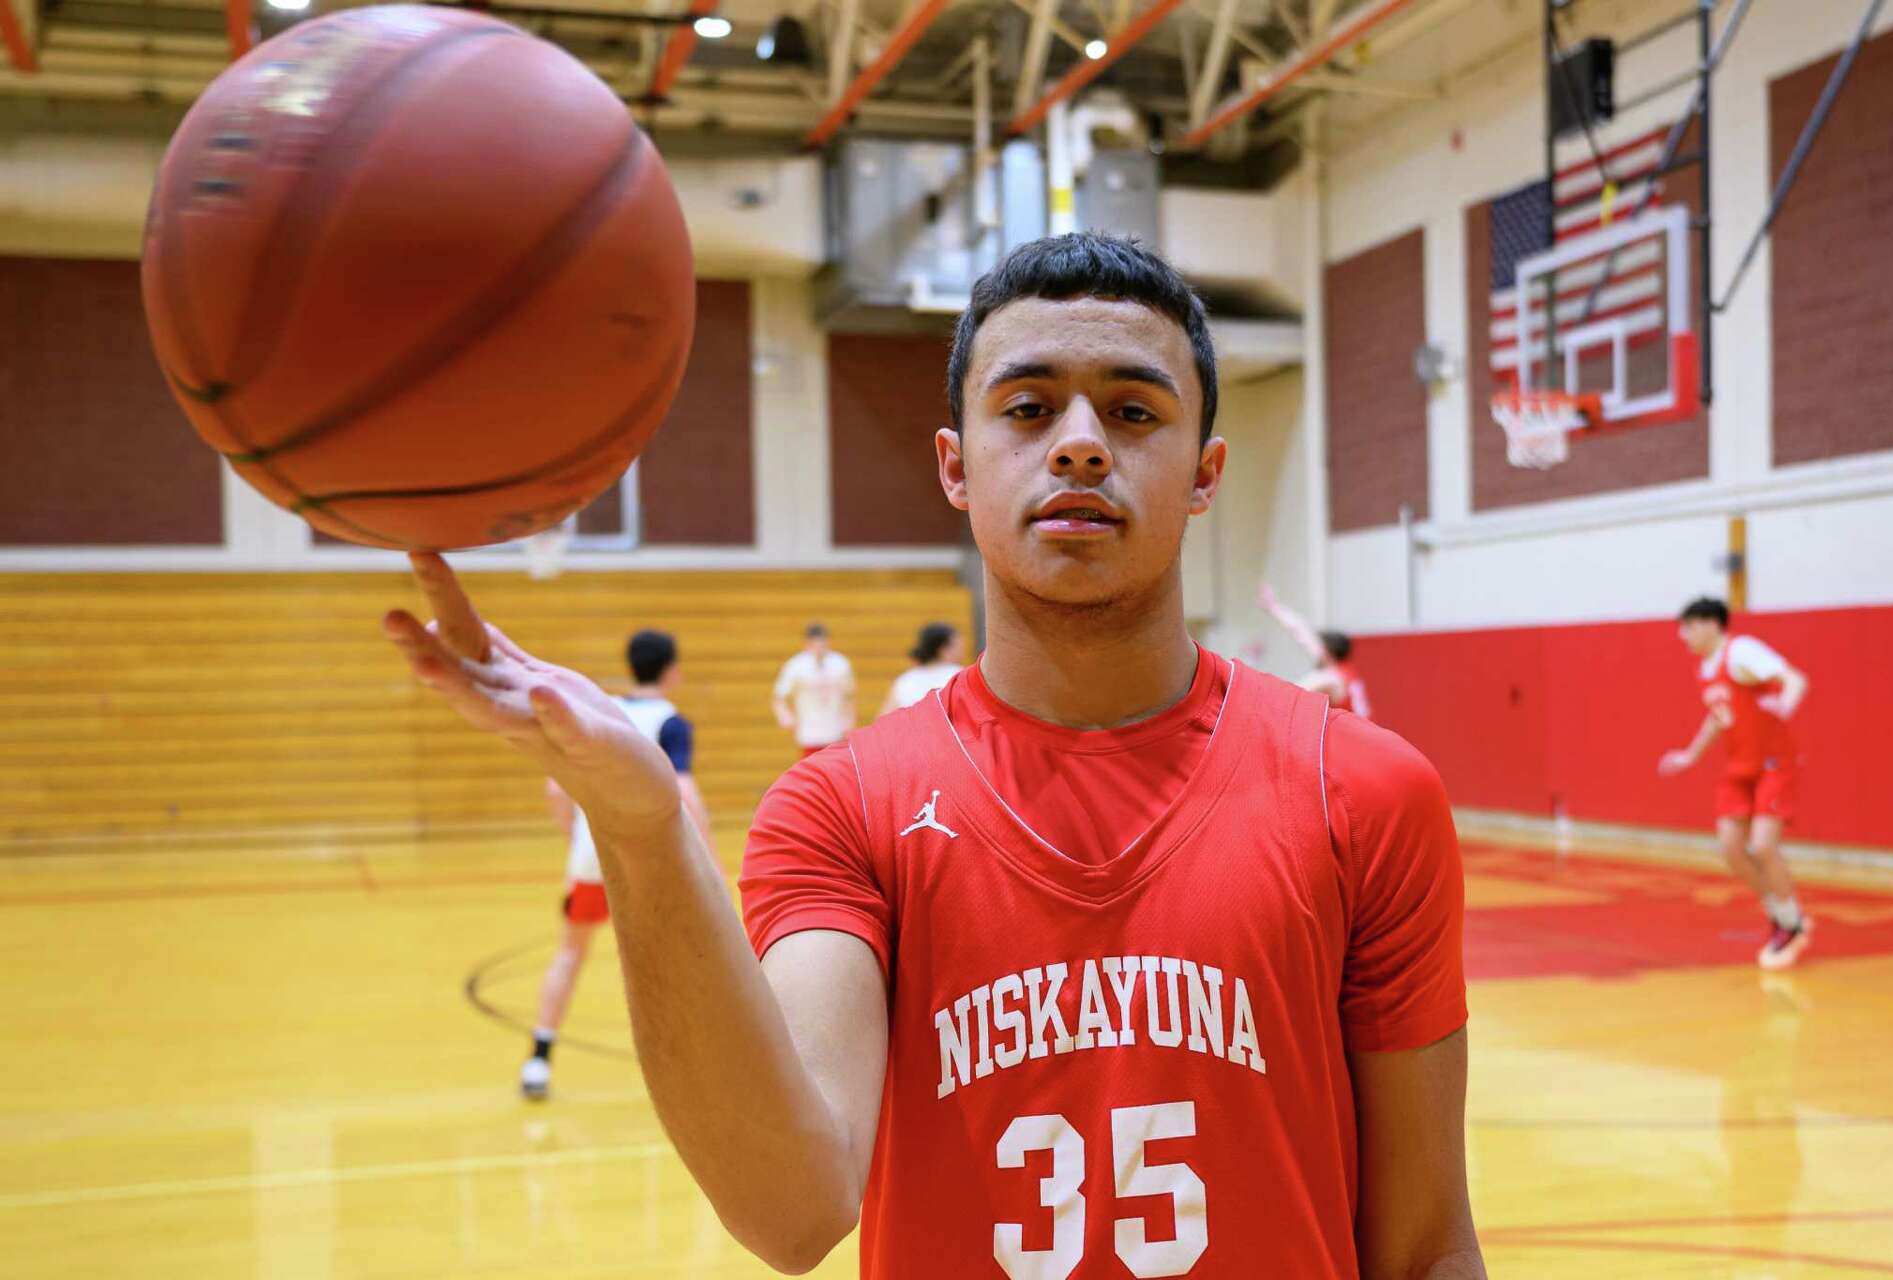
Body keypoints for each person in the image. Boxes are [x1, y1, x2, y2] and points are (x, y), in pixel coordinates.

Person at [382, 233, 1483, 1278]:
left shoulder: (1366, 792)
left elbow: (1427, 1245)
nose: (1082, 440)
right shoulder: (842, 808)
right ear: (956, 465)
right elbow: (791, 1205)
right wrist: (641, 829)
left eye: (1135, 409)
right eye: (1030, 406)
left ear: (1205, 470)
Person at [520, 629, 712, 1100]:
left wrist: (577, 838)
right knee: (672, 967)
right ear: (671, 670)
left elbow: (554, 790)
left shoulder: (601, 711)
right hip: (649, 863)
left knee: (570, 954)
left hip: (591, 859)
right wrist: (706, 854)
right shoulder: (671, 723)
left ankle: (538, 1059)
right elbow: (684, 790)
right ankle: (683, 1075)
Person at [1658, 597, 1812, 969]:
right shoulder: (1705, 669)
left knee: (1762, 845)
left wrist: (1787, 704)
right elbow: (1717, 718)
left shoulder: (1741, 652)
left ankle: (1791, 923)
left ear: (1712, 624)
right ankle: (1782, 915)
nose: (1683, 636)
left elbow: (1794, 678)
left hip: (1774, 764)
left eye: (1689, 626)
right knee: (1730, 848)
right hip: (1740, 768)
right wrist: (1690, 754)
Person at [1259, 584, 1371, 718]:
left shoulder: (1331, 679)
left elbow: (1291, 692)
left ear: (1327, 652)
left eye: (1317, 644)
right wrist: (1275, 607)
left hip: (1352, 737)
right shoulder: (1344, 671)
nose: (1311, 645)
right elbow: (1300, 631)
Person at [771, 622, 854, 759]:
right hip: (809, 734)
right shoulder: (796, 666)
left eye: (823, 644)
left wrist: (849, 722)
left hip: (835, 732)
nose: (820, 649)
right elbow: (779, 697)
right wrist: (786, 717)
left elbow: (849, 695)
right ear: (807, 644)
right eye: (815, 645)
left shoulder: (840, 664)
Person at [879, 622, 965, 714]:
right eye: (958, 646)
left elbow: (884, 720)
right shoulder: (959, 675)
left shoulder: (905, 680)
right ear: (943, 650)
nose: (962, 651)